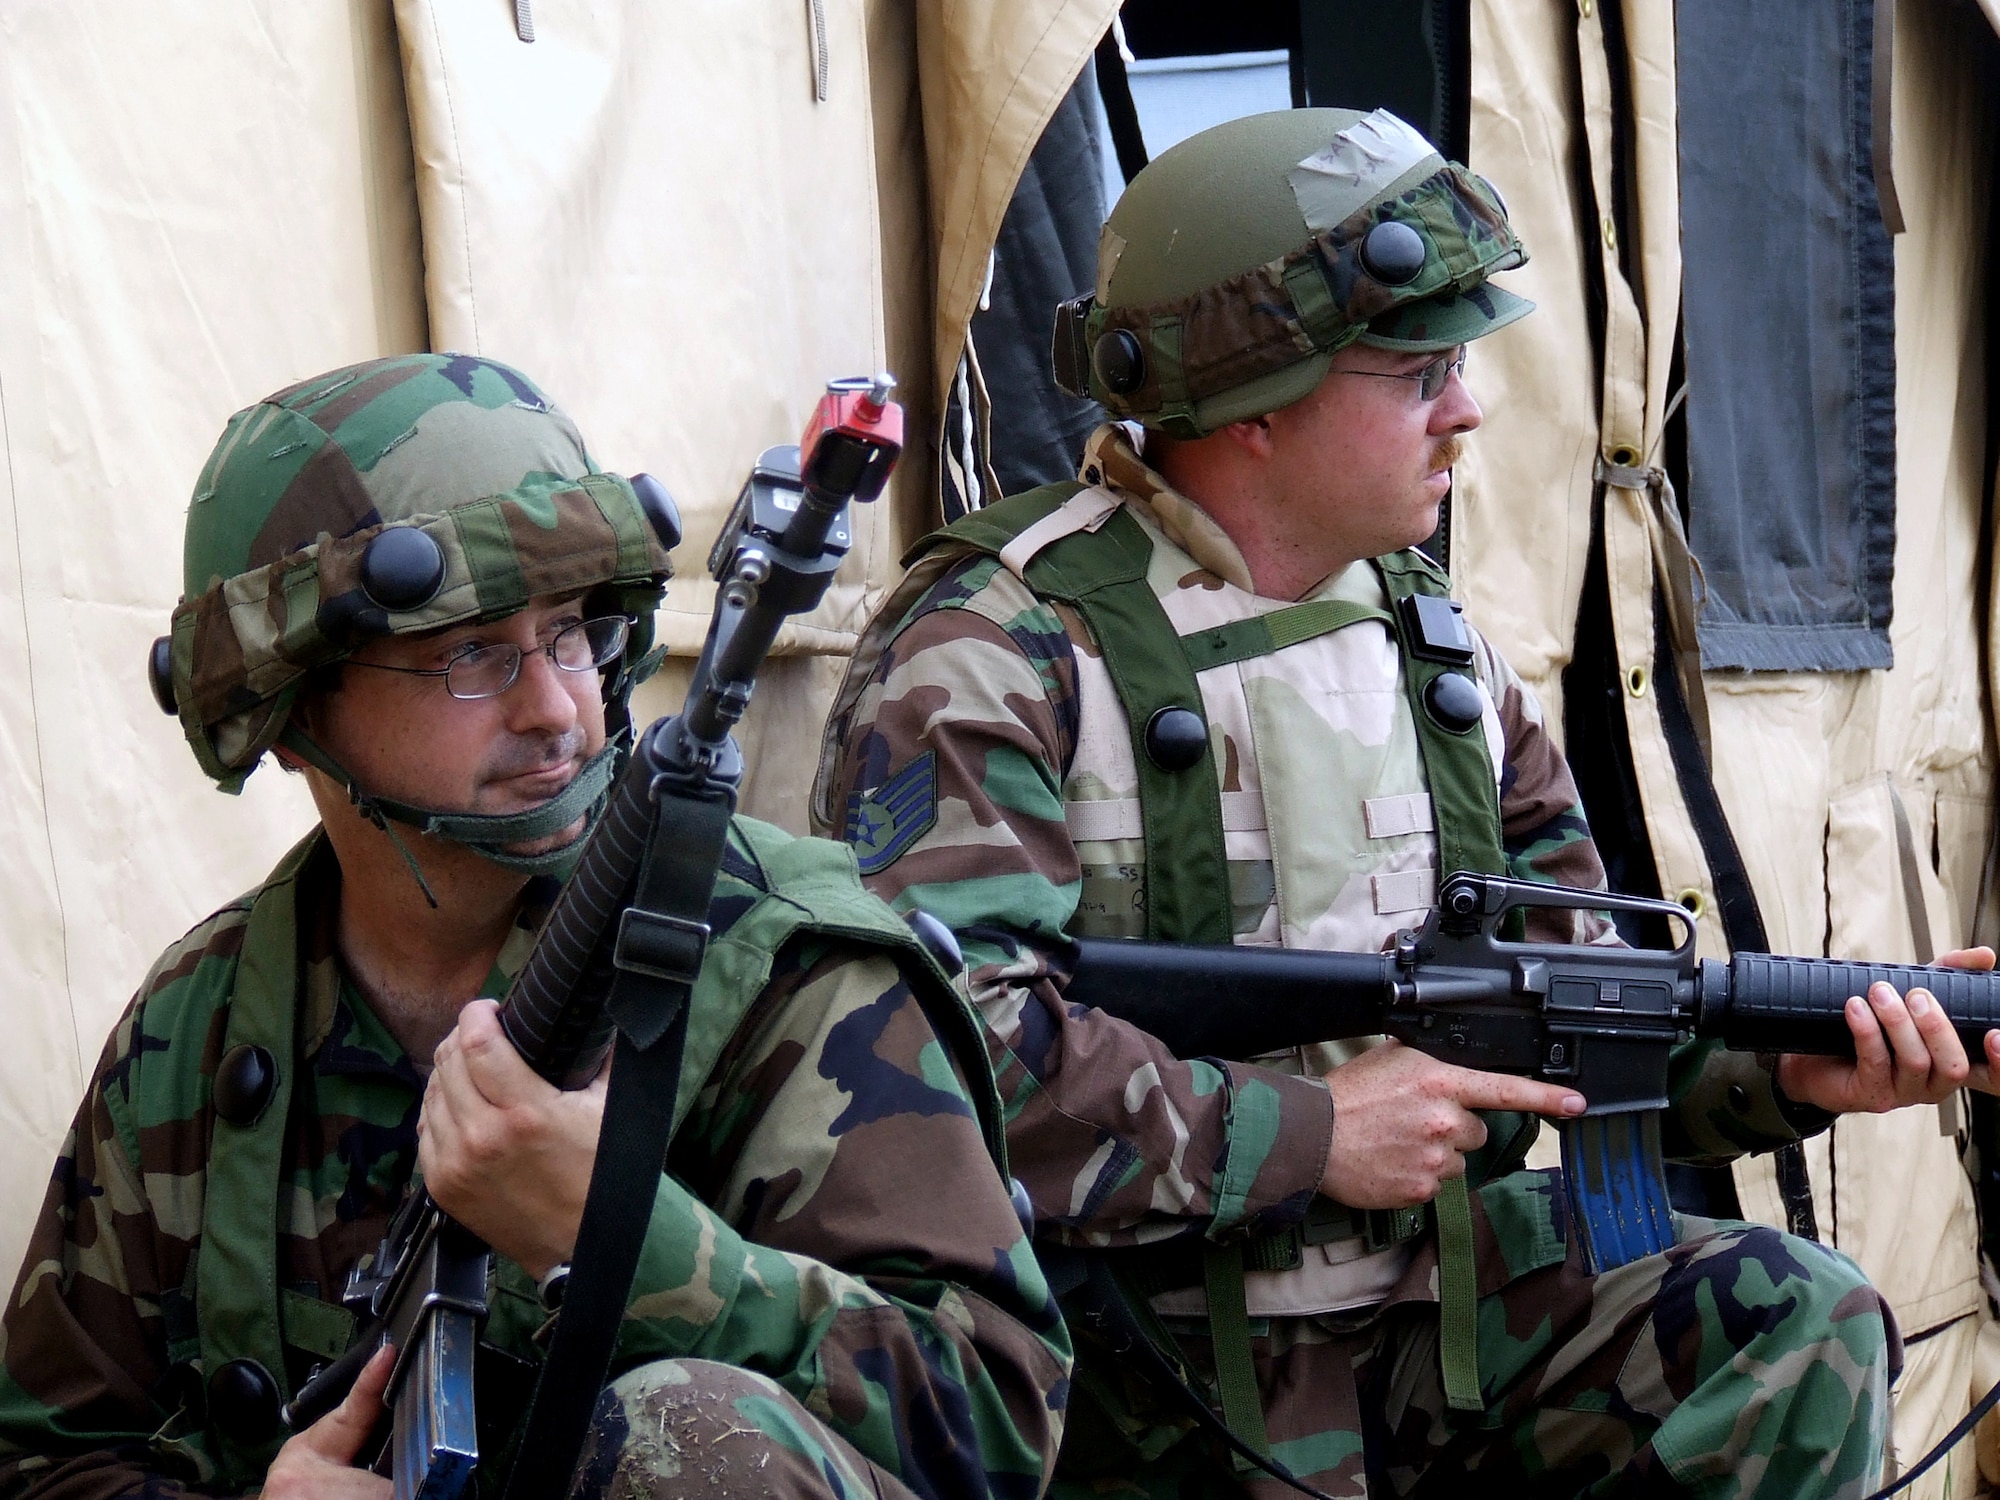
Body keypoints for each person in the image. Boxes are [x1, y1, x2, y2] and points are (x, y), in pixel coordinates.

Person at [815, 109, 2000, 1498]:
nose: (1469, 408)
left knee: (1790, 1323)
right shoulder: (990, 648)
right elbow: (926, 1063)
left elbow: (1579, 998)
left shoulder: (1434, 651)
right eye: (1421, 369)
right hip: (1125, 1365)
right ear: (1256, 402)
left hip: (1426, 1329)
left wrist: (1789, 1069)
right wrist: (1315, 1134)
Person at [0, 353, 1069, 1500]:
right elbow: (40, 1460)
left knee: (689, 1433)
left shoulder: (780, 965)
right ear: (290, 705)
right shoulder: (199, 1025)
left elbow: (996, 1421)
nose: (557, 706)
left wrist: (619, 1238)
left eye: (570, 634)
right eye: (470, 654)